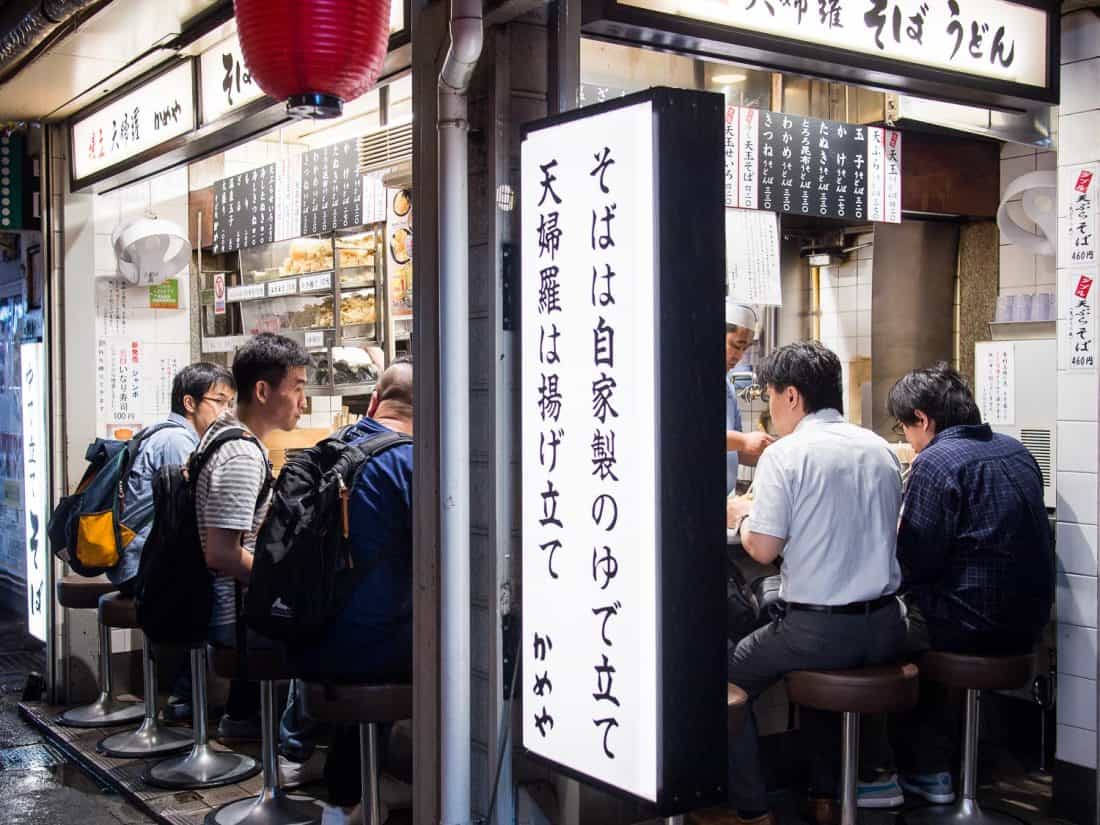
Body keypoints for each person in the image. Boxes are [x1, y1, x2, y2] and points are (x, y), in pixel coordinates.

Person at [719, 341, 906, 825]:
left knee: (723, 685)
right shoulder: (880, 449)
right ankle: (826, 797)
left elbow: (762, 549)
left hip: (819, 634)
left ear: (793, 397)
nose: (772, 410)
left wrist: (740, 517)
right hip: (887, 629)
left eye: (773, 396)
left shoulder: (787, 455)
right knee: (822, 673)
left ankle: (751, 812)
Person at [858, 364, 1053, 808]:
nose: (907, 438)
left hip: (970, 625)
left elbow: (912, 562)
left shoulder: (936, 461)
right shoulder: (1017, 451)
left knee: (878, 630)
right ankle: (941, 768)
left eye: (904, 427)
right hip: (1028, 628)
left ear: (922, 420)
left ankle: (906, 771)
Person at [287, 357, 414, 825]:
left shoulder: (328, 447)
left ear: (373, 402)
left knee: (363, 620)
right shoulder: (410, 462)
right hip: (369, 654)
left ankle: (351, 795)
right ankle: (430, 785)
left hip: (306, 640)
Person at [193, 333, 309, 741]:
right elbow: (222, 554)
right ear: (263, 390)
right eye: (297, 388)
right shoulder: (242, 454)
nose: (303, 402)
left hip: (225, 609)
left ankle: (243, 719)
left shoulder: (222, 434)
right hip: (233, 621)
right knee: (326, 625)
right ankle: (298, 749)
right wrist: (283, 590)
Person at [112, 363, 236, 721]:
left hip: (138, 561)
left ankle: (195, 693)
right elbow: (191, 515)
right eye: (220, 401)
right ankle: (193, 699)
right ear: (189, 402)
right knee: (223, 587)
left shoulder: (161, 432)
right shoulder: (178, 441)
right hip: (144, 569)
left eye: (231, 402)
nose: (226, 411)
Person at [725, 302, 773, 494]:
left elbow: (736, 451)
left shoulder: (727, 385)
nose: (739, 356)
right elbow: (695, 437)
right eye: (736, 346)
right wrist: (745, 441)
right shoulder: (691, 381)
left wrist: (771, 451)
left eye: (744, 349)